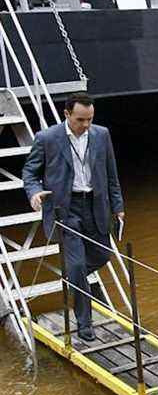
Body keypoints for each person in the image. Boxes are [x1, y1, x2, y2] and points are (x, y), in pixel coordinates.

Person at [22, 93, 125, 342]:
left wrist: (118, 206)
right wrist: (35, 193)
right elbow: (29, 171)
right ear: (67, 114)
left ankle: (74, 279)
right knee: (78, 265)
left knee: (103, 255)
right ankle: (84, 322)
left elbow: (111, 173)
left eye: (90, 119)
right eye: (81, 120)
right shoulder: (47, 138)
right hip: (65, 209)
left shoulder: (102, 135)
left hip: (95, 205)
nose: (86, 125)